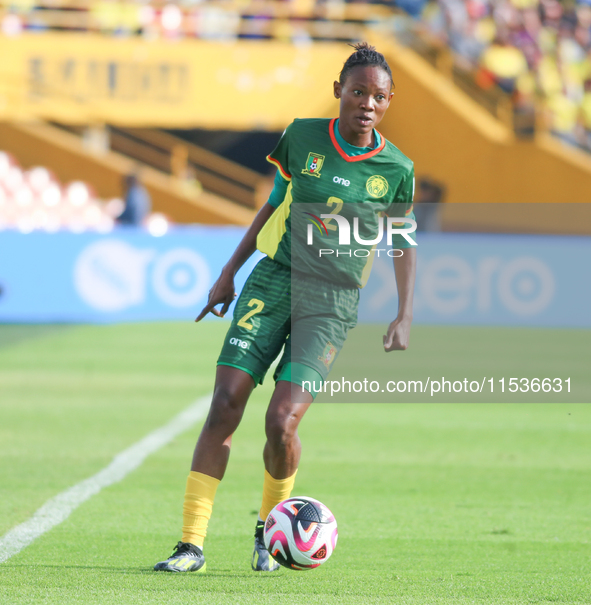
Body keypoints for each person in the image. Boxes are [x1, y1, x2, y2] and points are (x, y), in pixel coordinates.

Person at [154, 42, 417, 574]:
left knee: (282, 422)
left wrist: (404, 313)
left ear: (389, 102)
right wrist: (229, 270)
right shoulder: (301, 137)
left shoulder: (397, 169)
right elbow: (273, 203)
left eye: (379, 96)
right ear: (338, 91)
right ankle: (190, 545)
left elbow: (404, 240)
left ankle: (269, 531)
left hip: (332, 301)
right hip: (273, 279)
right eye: (359, 91)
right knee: (226, 401)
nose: (368, 103)